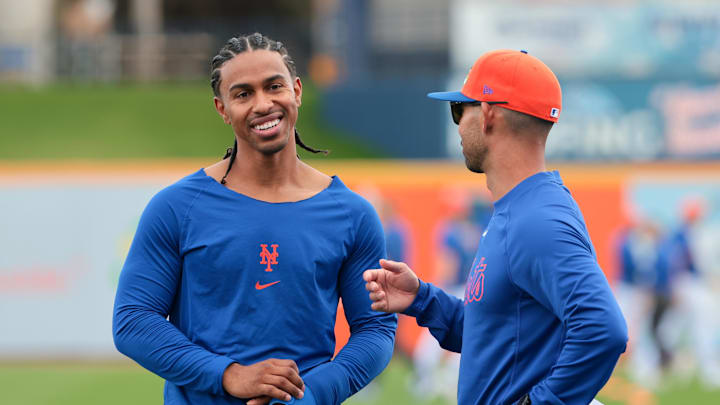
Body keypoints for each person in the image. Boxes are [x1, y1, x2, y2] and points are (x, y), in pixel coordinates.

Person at [112, 33, 397, 405]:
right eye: (243, 94)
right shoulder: (176, 207)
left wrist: (315, 392)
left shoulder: (352, 215)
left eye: (274, 86)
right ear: (222, 108)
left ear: (296, 91)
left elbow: (375, 329)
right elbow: (133, 320)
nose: (263, 104)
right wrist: (228, 374)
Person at [363, 49, 628, 404]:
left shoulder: (537, 219)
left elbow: (603, 330)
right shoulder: (520, 209)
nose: (458, 123)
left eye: (460, 109)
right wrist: (422, 299)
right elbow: (493, 336)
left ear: (487, 113)